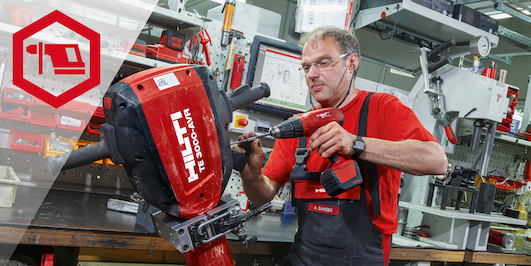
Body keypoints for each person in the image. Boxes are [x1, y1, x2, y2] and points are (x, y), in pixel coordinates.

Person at [234, 26, 448, 266]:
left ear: (352, 62)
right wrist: (251, 175)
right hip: (305, 257)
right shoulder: (298, 126)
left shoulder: (382, 108)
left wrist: (355, 144)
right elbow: (262, 196)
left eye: (324, 62)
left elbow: (436, 160)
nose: (312, 74)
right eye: (306, 66)